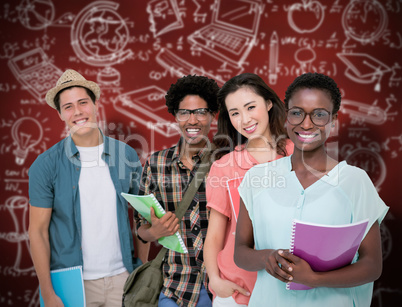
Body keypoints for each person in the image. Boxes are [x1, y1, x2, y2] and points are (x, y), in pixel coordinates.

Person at [234, 72, 389, 306]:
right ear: (287, 117)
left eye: (319, 115)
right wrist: (266, 257)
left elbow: (372, 266)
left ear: (333, 120)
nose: (306, 124)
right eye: (297, 113)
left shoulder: (355, 181)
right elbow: (241, 252)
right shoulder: (258, 178)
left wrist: (315, 278)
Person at [28, 69, 145, 307]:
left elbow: (144, 216)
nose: (77, 112)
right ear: (60, 114)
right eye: (68, 106)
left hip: (123, 279)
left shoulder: (126, 155)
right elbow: (37, 232)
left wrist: (140, 272)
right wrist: (48, 294)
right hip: (73, 284)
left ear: (95, 105)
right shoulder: (45, 165)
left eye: (83, 102)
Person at [204, 73, 293, 307]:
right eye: (235, 113)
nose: (244, 119)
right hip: (237, 291)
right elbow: (214, 235)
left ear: (269, 103)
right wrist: (215, 281)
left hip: (290, 288)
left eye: (250, 107)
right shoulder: (223, 167)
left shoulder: (299, 156)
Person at [135, 74, 220, 307]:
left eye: (201, 112)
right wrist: (154, 232)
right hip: (175, 289)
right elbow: (141, 230)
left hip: (221, 288)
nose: (192, 120)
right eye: (184, 112)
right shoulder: (156, 164)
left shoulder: (226, 162)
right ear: (175, 116)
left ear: (213, 114)